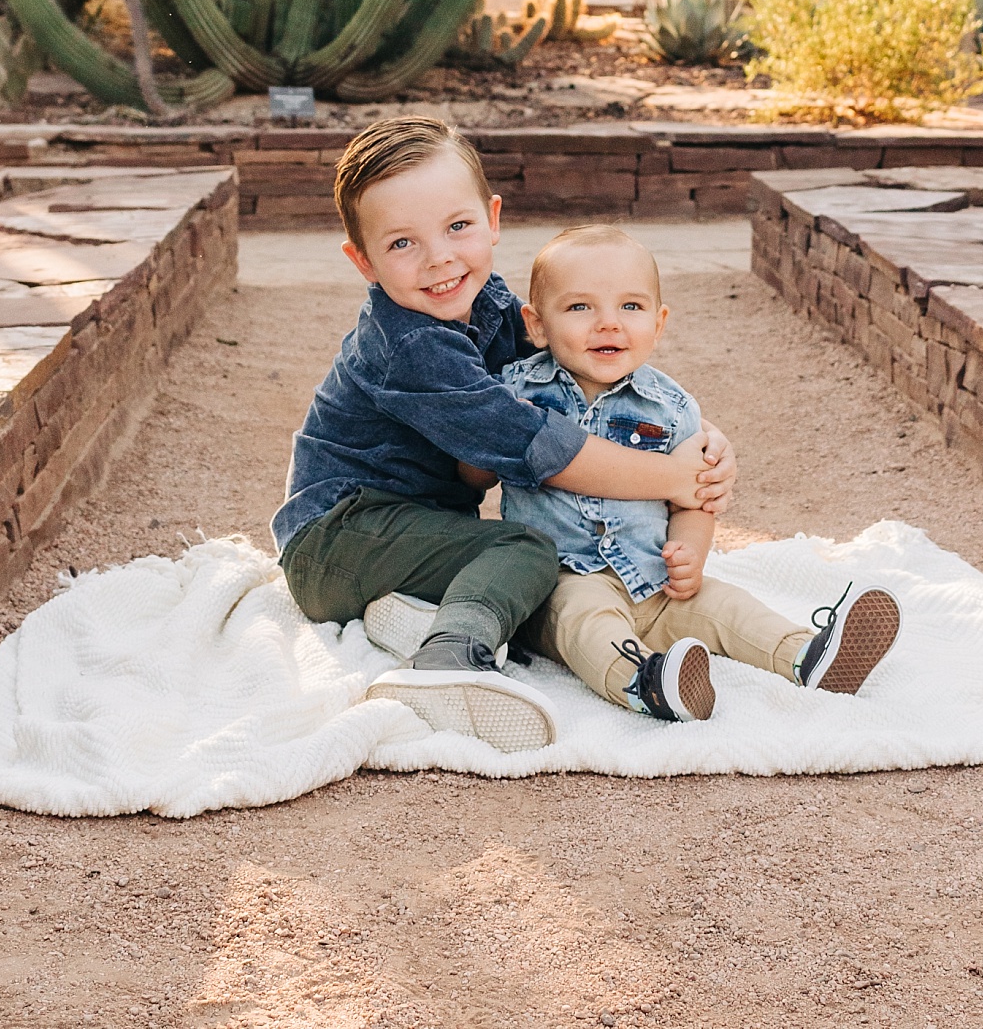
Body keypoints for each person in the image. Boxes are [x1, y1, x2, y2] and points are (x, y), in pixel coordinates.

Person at [272, 117, 733, 754]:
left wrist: (698, 438)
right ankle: (450, 662)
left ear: (492, 219)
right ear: (363, 261)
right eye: (402, 243)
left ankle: (417, 617)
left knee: (543, 579)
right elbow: (536, 445)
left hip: (414, 530)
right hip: (338, 534)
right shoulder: (410, 347)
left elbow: (574, 378)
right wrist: (675, 478)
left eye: (457, 227)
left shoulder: (488, 300)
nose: (439, 257)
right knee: (528, 550)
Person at [488, 224, 902, 722]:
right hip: (562, 578)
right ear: (536, 325)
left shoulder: (673, 406)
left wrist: (691, 553)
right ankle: (647, 683)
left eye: (631, 307)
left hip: (653, 578)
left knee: (727, 606)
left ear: (659, 324)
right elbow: (477, 466)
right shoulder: (515, 393)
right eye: (580, 307)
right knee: (586, 625)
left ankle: (808, 656)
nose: (608, 324)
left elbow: (695, 498)